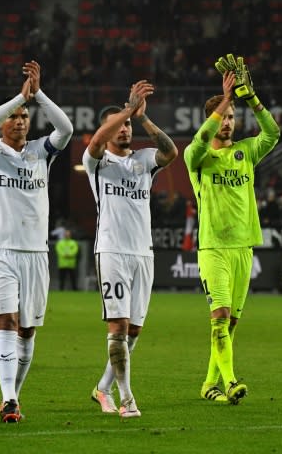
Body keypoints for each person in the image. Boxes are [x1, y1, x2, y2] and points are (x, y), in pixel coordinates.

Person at [0, 60, 73, 423]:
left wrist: (38, 94)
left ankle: (15, 393)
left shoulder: (40, 152)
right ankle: (9, 399)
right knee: (6, 323)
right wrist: (18, 96)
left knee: (27, 330)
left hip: (36, 253)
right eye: (13, 116)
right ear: (3, 122)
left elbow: (67, 128)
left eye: (24, 117)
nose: (19, 121)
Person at [184, 54, 280, 404]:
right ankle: (231, 381)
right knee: (219, 319)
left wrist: (250, 98)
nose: (227, 122)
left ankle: (209, 384)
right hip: (213, 248)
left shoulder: (246, 152)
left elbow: (272, 132)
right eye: (223, 117)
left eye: (231, 117)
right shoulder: (199, 158)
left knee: (231, 325)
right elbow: (196, 142)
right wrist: (224, 97)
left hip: (244, 248)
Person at [83, 80, 178, 418]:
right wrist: (126, 108)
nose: (124, 128)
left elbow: (170, 153)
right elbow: (95, 141)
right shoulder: (96, 163)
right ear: (107, 129)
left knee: (134, 330)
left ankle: (102, 388)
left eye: (126, 125)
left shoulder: (143, 160)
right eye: (118, 124)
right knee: (118, 327)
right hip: (111, 251)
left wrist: (143, 119)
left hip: (143, 253)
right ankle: (127, 399)